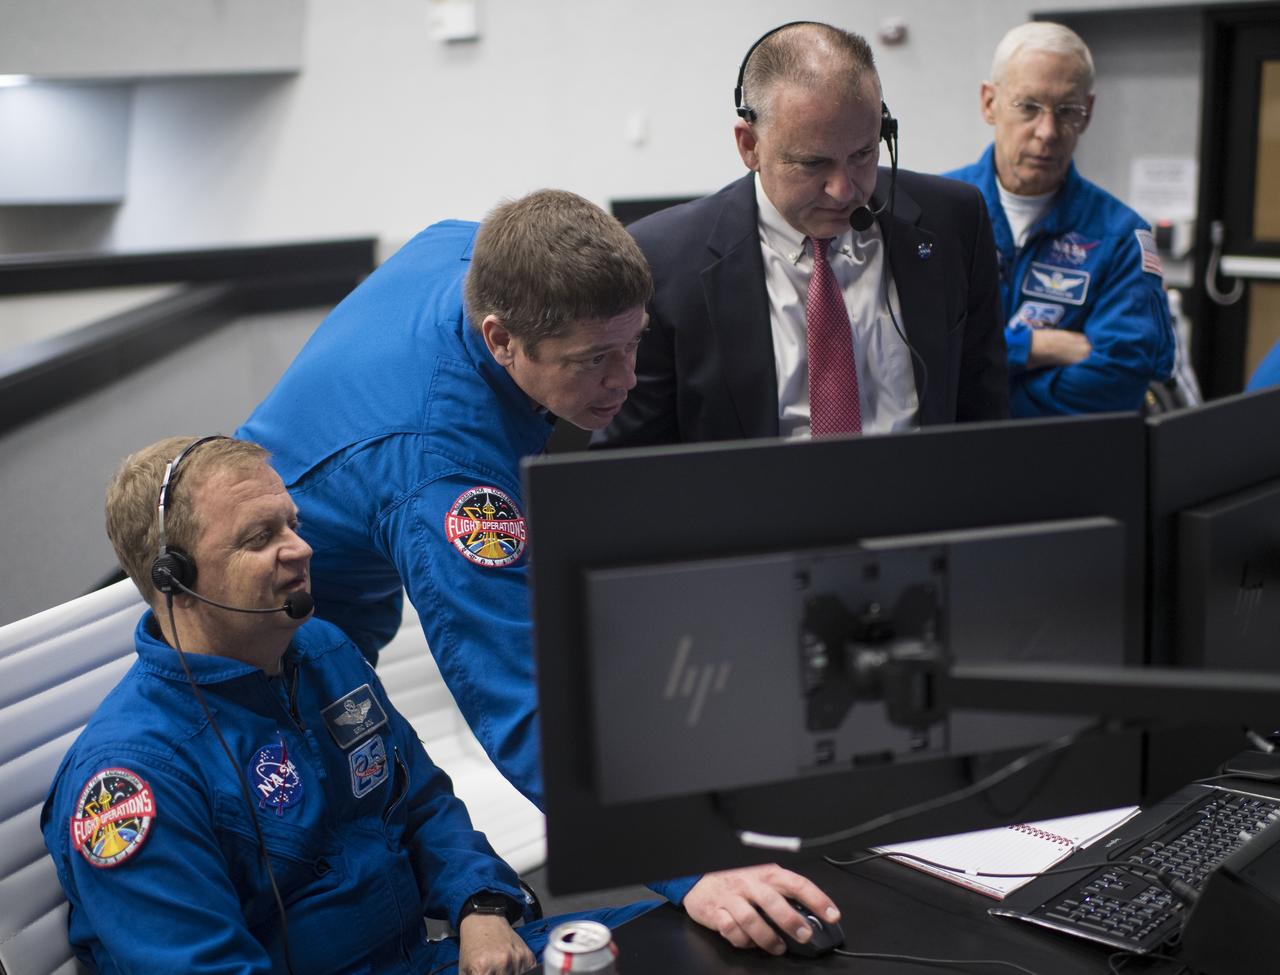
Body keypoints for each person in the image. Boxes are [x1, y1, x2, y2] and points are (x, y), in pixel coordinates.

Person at [237, 190, 842, 955]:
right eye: (596, 359)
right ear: (501, 339)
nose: (626, 380)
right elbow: (519, 700)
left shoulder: (482, 255)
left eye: (633, 343)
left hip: (348, 530)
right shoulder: (445, 479)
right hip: (273, 626)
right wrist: (693, 869)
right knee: (330, 879)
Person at [41, 435, 651, 974]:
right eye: (260, 538)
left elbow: (421, 804)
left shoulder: (323, 650)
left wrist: (482, 906)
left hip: (430, 958)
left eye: (293, 524)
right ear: (176, 578)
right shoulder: (128, 781)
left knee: (694, 939)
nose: (300, 550)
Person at [592, 20, 1008, 449]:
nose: (845, 190)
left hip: (927, 508)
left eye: (863, 153)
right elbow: (632, 461)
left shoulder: (953, 220)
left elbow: (985, 407)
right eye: (813, 164)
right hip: (751, 512)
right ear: (749, 146)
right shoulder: (663, 260)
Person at [946, 21, 1175, 417]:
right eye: (1028, 107)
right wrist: (1033, 348)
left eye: (1067, 110)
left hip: (1061, 463)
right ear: (989, 103)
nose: (1047, 132)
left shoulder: (1120, 235)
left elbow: (1119, 378)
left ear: (1087, 114)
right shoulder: (934, 212)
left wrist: (983, 403)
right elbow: (907, 350)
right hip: (947, 463)